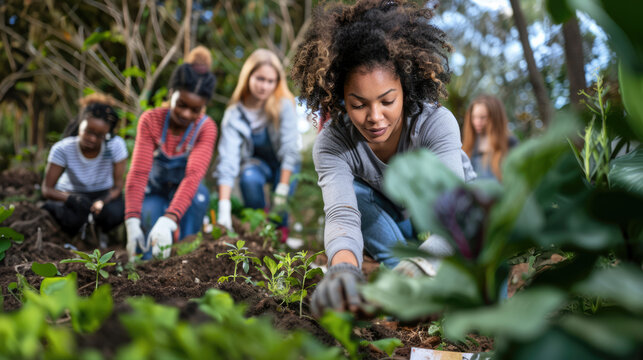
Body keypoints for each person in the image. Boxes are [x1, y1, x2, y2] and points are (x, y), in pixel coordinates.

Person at [291, 0, 476, 315]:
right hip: (391, 218)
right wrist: (343, 271)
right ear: (340, 100)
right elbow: (342, 215)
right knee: (360, 198)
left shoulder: (435, 124)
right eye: (359, 104)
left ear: (405, 88)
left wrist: (423, 263)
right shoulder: (332, 143)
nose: (375, 117)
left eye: (387, 100)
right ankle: (405, 282)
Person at [124, 61, 217, 260]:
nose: (186, 114)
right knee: (149, 237)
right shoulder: (151, 121)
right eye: (181, 105)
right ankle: (148, 265)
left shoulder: (205, 128)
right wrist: (131, 219)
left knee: (199, 197)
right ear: (171, 93)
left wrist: (170, 219)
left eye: (195, 110)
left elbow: (193, 177)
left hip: (186, 192)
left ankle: (186, 258)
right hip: (155, 191)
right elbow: (139, 173)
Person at [213, 48, 301, 242]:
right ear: (248, 77)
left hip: (284, 164)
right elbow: (228, 160)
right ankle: (260, 230)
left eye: (270, 81)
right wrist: (224, 208)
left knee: (280, 209)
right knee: (248, 178)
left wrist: (282, 190)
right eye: (260, 79)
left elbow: (290, 149)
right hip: (256, 166)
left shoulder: (284, 105)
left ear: (277, 82)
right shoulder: (234, 115)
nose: (264, 86)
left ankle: (279, 237)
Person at [42, 93, 128, 242]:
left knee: (115, 212)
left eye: (100, 135)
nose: (93, 139)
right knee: (73, 217)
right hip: (71, 193)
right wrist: (72, 199)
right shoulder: (63, 149)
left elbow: (118, 186)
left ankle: (102, 233)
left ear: (107, 134)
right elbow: (47, 189)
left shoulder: (114, 146)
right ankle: (71, 236)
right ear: (80, 124)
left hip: (102, 193)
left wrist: (102, 201)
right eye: (88, 132)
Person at [462, 94, 518, 181]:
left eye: (483, 117)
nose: (477, 122)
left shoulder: (509, 142)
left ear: (495, 118)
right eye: (474, 117)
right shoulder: (470, 143)